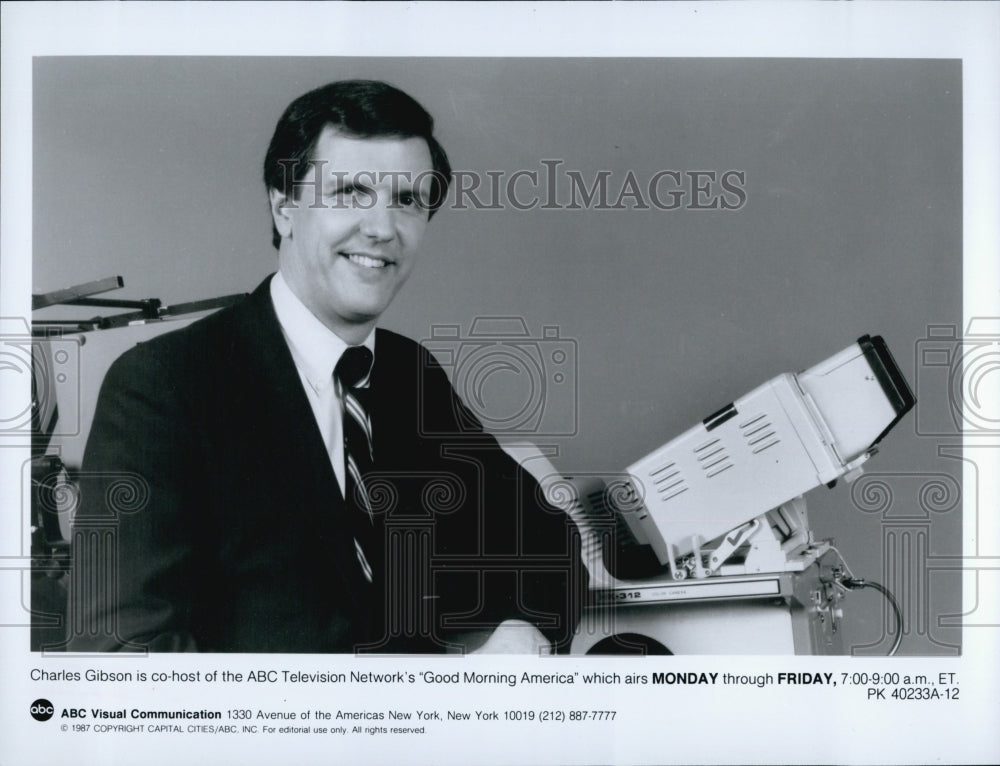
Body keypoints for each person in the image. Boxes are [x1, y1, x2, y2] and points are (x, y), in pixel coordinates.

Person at [65, 80, 586, 654]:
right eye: (350, 192)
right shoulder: (165, 386)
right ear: (284, 206)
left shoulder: (411, 377)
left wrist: (513, 631)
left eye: (407, 200)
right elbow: (118, 658)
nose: (383, 229)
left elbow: (555, 560)